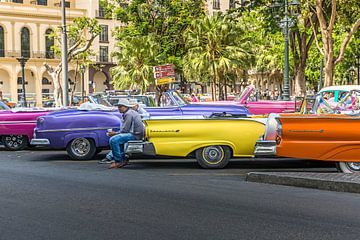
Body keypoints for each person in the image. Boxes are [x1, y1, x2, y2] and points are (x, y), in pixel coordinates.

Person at [102, 99, 145, 169]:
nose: (119, 108)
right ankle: (123, 159)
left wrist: (114, 133)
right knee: (119, 140)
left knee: (113, 140)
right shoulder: (130, 113)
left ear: (125, 107)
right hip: (135, 134)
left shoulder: (128, 114)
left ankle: (118, 161)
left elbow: (125, 130)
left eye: (120, 107)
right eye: (118, 107)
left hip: (135, 135)